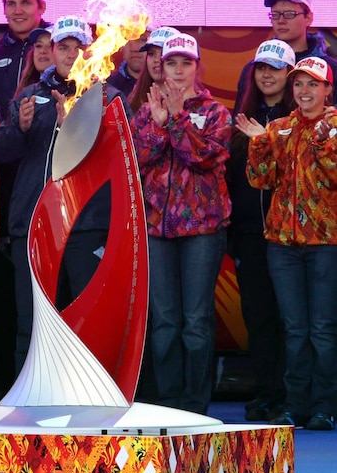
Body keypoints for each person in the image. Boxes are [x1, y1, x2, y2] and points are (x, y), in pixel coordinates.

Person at [0, 15, 130, 373]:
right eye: (63, 47)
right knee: (33, 319)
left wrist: (78, 130)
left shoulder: (109, 97)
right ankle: (29, 398)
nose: (70, 54)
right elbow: (3, 153)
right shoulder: (29, 96)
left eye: (78, 47)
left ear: (91, 52)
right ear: (50, 52)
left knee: (86, 315)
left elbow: (121, 159)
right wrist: (20, 129)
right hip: (37, 224)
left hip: (87, 225)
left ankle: (93, 398)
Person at [132, 32, 231, 415]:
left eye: (185, 63)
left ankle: (194, 403)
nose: (177, 69)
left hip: (202, 230)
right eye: (171, 62)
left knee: (196, 320)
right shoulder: (145, 109)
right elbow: (140, 156)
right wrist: (159, 123)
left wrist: (174, 120)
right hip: (157, 227)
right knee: (165, 321)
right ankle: (168, 402)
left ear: (197, 67)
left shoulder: (216, 112)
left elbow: (203, 157)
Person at [238, 55, 337, 431]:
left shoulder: (336, 126)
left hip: (325, 242)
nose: (305, 91)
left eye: (313, 84)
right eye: (299, 84)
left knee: (323, 329)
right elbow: (260, 180)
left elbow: (333, 178)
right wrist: (259, 144)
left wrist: (325, 143)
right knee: (294, 329)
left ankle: (325, 406)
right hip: (282, 242)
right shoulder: (280, 127)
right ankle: (295, 404)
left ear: (327, 89)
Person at [228, 40, 295, 422]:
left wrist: (265, 141)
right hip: (250, 233)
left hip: (290, 235)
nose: (267, 74)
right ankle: (266, 393)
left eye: (275, 68)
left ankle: (293, 395)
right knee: (258, 316)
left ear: (289, 73)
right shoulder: (240, 118)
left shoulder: (300, 119)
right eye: (260, 68)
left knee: (292, 318)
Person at [234, 0, 337, 110]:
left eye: (289, 14)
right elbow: (240, 116)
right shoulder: (254, 68)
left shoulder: (329, 68)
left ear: (308, 18)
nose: (281, 20)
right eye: (275, 14)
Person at [128, 26, 179, 113]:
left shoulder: (193, 101)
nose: (157, 59)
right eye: (151, 53)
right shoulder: (134, 98)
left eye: (163, 53)